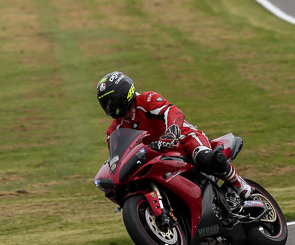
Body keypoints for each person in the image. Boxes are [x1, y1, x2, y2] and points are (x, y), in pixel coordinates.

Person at [96, 71, 252, 199]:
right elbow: (118, 158)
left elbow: (172, 111)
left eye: (112, 100)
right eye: (105, 103)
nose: (110, 106)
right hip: (157, 156)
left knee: (204, 158)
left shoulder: (146, 100)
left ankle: (239, 184)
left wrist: (172, 132)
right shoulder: (113, 131)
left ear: (125, 93)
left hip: (183, 138)